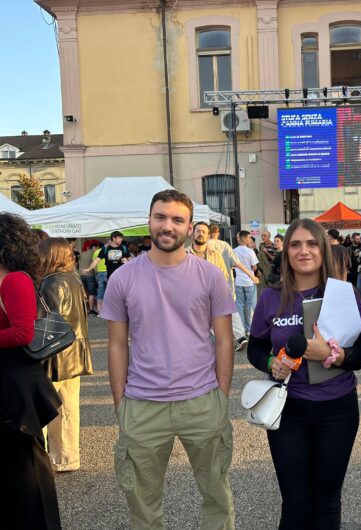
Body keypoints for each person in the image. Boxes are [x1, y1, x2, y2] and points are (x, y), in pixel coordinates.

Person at [101, 190, 236, 529]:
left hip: (202, 400)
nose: (168, 226)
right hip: (143, 405)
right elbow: (116, 345)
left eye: (177, 219)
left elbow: (224, 340)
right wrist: (121, 405)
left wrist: (221, 396)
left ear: (191, 227)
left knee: (217, 496)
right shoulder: (123, 278)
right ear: (149, 221)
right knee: (142, 505)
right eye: (160, 217)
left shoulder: (209, 276)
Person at [247, 218, 361, 530]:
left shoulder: (344, 295)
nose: (304, 251)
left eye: (312, 243)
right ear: (286, 251)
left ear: (323, 249)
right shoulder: (271, 298)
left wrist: (337, 355)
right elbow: (255, 348)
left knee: (327, 502)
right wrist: (271, 363)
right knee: (295, 503)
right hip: (288, 410)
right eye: (295, 244)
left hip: (338, 409)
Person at [0, 213, 62, 529]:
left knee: (26, 466)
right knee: (9, 464)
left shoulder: (15, 280)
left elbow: (23, 332)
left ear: (2, 245)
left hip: (17, 380)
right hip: (4, 380)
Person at [39, 237, 94, 472]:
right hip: (76, 351)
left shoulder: (50, 283)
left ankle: (54, 457)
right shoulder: (73, 278)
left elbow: (46, 323)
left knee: (48, 407)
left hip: (55, 355)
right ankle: (69, 457)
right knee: (69, 406)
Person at [191, 222, 249, 351]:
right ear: (192, 233)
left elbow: (223, 274)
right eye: (198, 231)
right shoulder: (185, 255)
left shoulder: (215, 254)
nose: (200, 234)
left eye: (203, 232)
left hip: (214, 294)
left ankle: (225, 341)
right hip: (194, 299)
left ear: (208, 235)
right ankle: (239, 336)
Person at [233, 230, 259, 336]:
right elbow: (254, 267)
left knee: (239, 305)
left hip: (238, 282)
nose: (250, 240)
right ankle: (249, 329)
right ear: (244, 239)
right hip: (249, 281)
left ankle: (242, 329)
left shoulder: (233, 250)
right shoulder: (250, 251)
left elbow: (233, 265)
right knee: (250, 306)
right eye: (248, 238)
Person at [79, 239, 101, 315]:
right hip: (89, 275)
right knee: (91, 293)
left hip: (80, 275)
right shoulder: (94, 254)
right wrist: (97, 272)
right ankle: (91, 310)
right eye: (98, 248)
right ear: (95, 247)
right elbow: (94, 266)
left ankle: (83, 309)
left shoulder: (82, 253)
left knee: (83, 292)